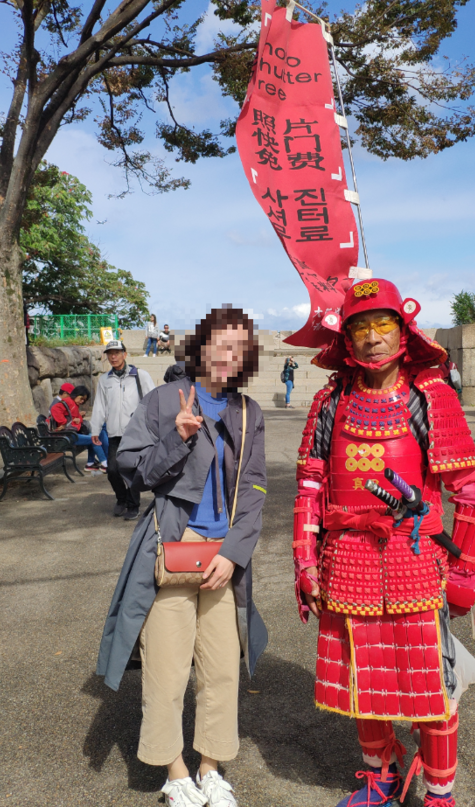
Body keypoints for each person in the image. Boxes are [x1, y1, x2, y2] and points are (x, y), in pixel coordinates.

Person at [293, 279, 475, 807]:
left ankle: (439, 794)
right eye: (360, 327)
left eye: (383, 325)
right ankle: (381, 776)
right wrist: (304, 564)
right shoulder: (328, 400)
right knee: (362, 681)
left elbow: (470, 490)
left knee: (433, 689)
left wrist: (466, 573)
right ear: (347, 340)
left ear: (403, 332)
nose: (372, 338)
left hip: (416, 559)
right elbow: (311, 485)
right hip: (347, 559)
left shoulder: (432, 397)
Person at [97, 306, 268, 807]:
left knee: (220, 670)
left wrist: (235, 555)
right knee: (167, 669)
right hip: (174, 548)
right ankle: (175, 773)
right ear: (201, 346)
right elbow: (133, 472)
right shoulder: (162, 399)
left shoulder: (248, 412)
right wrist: (180, 435)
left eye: (238, 347)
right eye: (220, 342)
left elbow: (255, 487)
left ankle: (210, 767)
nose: (227, 354)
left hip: (223, 558)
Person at [90, 340, 156, 519]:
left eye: (117, 353)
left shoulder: (139, 375)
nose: (113, 356)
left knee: (132, 471)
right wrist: (95, 430)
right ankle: (121, 499)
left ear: (125, 355)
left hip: (134, 433)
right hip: (113, 433)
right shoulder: (105, 380)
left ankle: (133, 505)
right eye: (110, 353)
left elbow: (153, 400)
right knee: (112, 470)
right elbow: (100, 406)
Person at [50, 382, 107, 471]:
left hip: (71, 433)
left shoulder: (74, 404)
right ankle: (104, 463)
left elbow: (77, 418)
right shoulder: (69, 402)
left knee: (93, 436)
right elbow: (54, 409)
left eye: (84, 400)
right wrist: (63, 422)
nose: (82, 401)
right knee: (93, 439)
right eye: (81, 399)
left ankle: (90, 463)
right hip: (66, 435)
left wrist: (78, 419)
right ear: (75, 395)